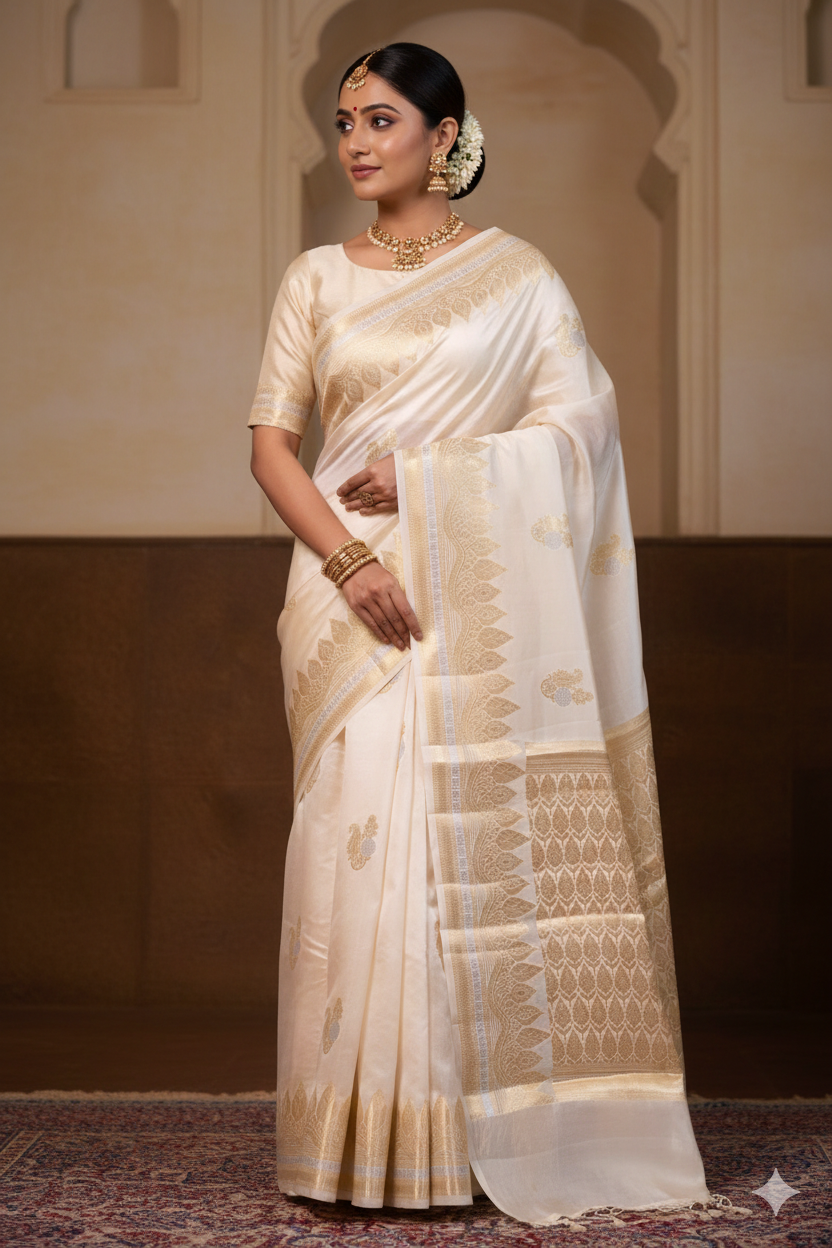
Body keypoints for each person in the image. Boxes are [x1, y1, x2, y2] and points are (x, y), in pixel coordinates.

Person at [249, 42, 715, 1227]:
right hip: (344, 599)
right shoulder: (314, 278)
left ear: (446, 134)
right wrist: (349, 563)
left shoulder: (518, 278)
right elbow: (270, 447)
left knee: (456, 857)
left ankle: (454, 1144)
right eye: (345, 118)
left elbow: (578, 431)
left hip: (467, 586)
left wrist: (435, 477)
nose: (356, 140)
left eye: (383, 119)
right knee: (353, 847)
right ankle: (348, 1143)